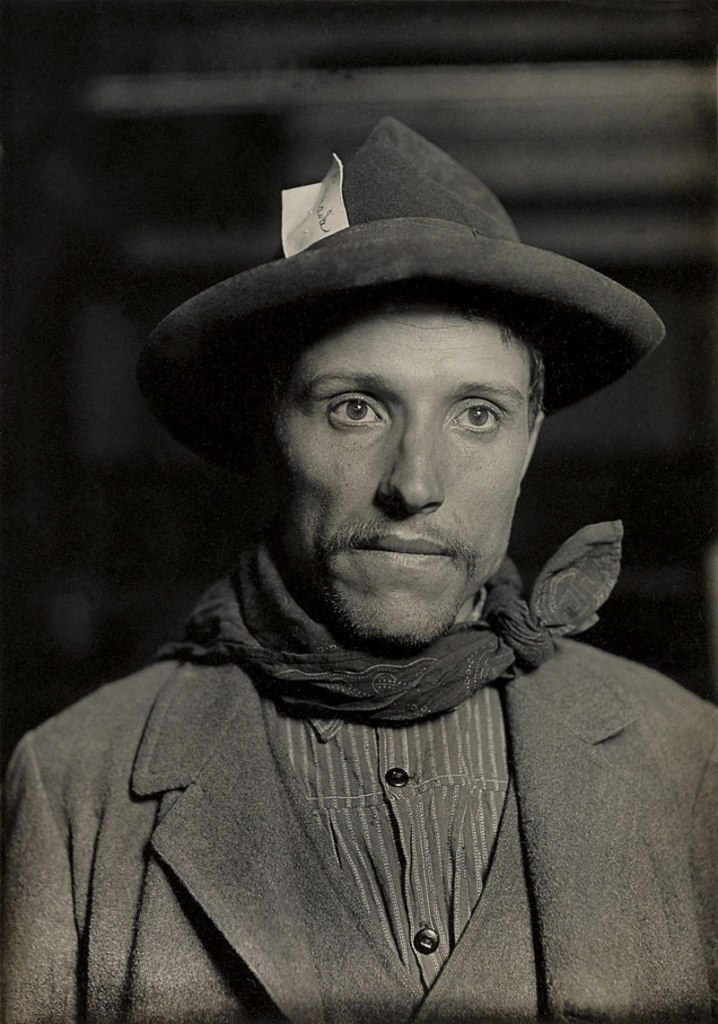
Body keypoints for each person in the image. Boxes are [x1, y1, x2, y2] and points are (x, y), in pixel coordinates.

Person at [3, 117, 716, 1024]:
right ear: (270, 427)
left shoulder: (691, 763)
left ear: (531, 438)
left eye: (477, 416)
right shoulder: (77, 787)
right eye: (355, 408)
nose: (415, 484)